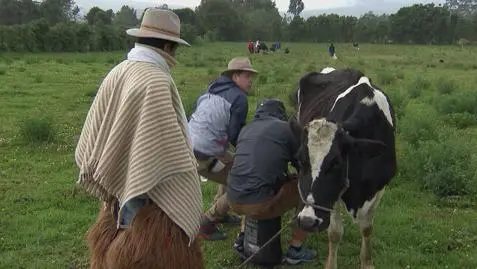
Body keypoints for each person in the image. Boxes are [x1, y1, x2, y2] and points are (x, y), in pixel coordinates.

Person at [75, 8, 204, 269]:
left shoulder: (120, 70)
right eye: (174, 48)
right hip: (150, 201)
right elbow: (166, 150)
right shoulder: (155, 80)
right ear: (168, 45)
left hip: (117, 195)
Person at [227, 99, 317, 265]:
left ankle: (241, 239)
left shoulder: (246, 129)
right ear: (280, 114)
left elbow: (259, 166)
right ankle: (295, 250)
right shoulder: (286, 129)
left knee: (251, 185)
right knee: (306, 190)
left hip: (232, 199)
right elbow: (302, 166)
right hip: (260, 204)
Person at [188, 57, 258, 241]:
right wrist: (252, 150)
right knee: (243, 180)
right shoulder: (240, 98)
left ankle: (222, 212)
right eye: (247, 75)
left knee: (233, 164)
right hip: (204, 154)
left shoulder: (212, 88)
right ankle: (207, 221)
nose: (251, 80)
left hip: (188, 146)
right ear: (235, 76)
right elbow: (235, 135)